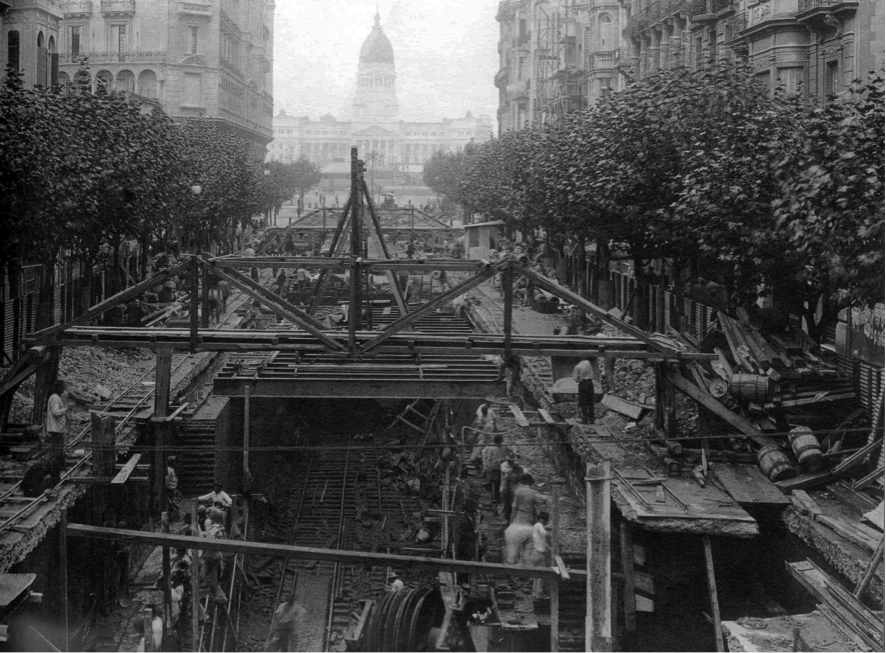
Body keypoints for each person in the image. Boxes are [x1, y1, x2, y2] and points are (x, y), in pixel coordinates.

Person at [45, 380, 68, 467]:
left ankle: (57, 464)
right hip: (55, 428)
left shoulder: (56, 397)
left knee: (58, 447)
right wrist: (66, 409)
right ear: (59, 388)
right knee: (56, 448)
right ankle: (53, 465)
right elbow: (55, 412)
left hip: (57, 428)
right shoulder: (55, 398)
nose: (63, 390)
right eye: (62, 388)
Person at [482, 435, 509, 504]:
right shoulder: (491, 448)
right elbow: (488, 458)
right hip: (494, 468)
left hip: (504, 466)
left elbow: (510, 450)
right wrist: (487, 467)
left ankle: (501, 497)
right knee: (496, 483)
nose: (499, 444)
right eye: (497, 443)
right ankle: (495, 498)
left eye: (500, 442)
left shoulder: (504, 446)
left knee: (504, 483)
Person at [530, 512, 551, 598]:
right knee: (541, 575)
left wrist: (550, 549)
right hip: (539, 554)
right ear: (543, 520)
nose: (546, 523)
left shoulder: (535, 527)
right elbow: (544, 533)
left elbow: (543, 542)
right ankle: (539, 594)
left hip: (535, 553)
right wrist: (551, 533)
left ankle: (535, 593)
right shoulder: (539, 525)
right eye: (546, 521)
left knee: (536, 575)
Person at [572, 358, 597, 425]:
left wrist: (577, 377)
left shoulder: (577, 367)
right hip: (590, 383)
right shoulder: (587, 362)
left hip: (583, 384)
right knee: (590, 402)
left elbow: (576, 379)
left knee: (583, 402)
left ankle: (585, 420)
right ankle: (592, 420)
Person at [500, 458, 524, 523]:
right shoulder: (521, 475)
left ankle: (507, 522)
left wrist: (503, 494)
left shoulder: (509, 474)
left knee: (508, 510)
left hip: (510, 494)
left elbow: (504, 487)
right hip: (517, 495)